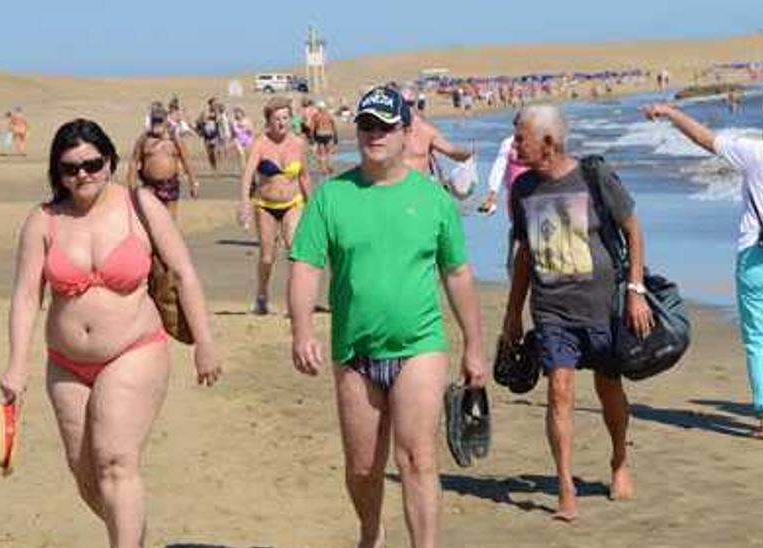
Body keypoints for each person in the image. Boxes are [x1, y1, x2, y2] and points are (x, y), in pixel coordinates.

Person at [0, 119, 221, 548]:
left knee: (117, 462)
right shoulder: (43, 220)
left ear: (110, 161)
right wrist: (16, 366)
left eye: (92, 163)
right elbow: (26, 297)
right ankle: (131, 532)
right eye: (70, 168)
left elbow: (183, 272)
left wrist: (206, 343)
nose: (82, 174)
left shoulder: (140, 205)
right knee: (86, 475)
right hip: (66, 364)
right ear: (56, 172)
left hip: (132, 351)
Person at [287, 86, 488, 548]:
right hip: (354, 351)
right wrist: (301, 330)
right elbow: (305, 266)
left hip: (420, 344)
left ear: (406, 131)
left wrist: (474, 347)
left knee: (418, 458)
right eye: (366, 126)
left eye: (384, 126)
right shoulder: (332, 196)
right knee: (363, 468)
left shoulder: (434, 199)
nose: (374, 134)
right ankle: (371, 533)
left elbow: (457, 274)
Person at [643, 92, 763, 440]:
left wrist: (669, 111)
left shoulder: (756, 152)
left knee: (759, 340)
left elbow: (703, 137)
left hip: (758, 256)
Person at [500, 104, 647, 521]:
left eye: (520, 138)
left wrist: (635, 291)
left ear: (548, 142)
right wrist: (513, 314)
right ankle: (565, 485)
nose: (514, 146)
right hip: (551, 311)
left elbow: (633, 230)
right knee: (559, 390)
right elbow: (526, 253)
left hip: (602, 309)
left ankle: (619, 459)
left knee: (608, 389)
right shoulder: (522, 189)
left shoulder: (595, 178)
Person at [237, 97, 310, 315]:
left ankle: (295, 301)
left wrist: (313, 205)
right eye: (276, 118)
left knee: (294, 251)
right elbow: (247, 176)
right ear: (269, 120)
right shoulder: (259, 144)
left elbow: (304, 176)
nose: (281, 123)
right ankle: (261, 295)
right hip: (265, 204)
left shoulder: (298, 143)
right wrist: (244, 206)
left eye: (285, 118)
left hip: (293, 203)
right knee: (267, 257)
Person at [127, 105, 199, 219]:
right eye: (154, 120)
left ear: (166, 121)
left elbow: (187, 161)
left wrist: (193, 183)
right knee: (149, 218)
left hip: (169, 184)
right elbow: (134, 161)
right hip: (149, 185)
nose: (157, 123)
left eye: (160, 120)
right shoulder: (144, 139)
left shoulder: (175, 139)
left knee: (169, 219)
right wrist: (131, 185)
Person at [400, 87, 473, 179]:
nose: (407, 108)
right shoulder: (386, 131)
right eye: (403, 104)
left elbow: (452, 152)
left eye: (410, 104)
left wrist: (468, 153)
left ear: (415, 104)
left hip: (419, 187)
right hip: (394, 188)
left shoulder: (427, 130)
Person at [309, 99, 338, 175]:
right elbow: (334, 126)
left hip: (320, 134)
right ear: (324, 108)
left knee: (322, 153)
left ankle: (323, 169)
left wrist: (312, 139)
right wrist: (335, 137)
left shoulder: (316, 116)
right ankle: (330, 166)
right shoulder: (329, 115)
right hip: (328, 134)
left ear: (318, 108)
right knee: (329, 152)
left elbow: (312, 128)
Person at [196, 98, 225, 172]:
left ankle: (220, 168)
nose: (215, 105)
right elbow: (199, 121)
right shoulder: (205, 112)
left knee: (216, 150)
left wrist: (216, 112)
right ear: (210, 104)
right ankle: (213, 168)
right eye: (214, 104)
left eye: (216, 104)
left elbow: (218, 120)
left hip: (215, 134)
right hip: (207, 135)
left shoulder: (218, 112)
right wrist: (200, 128)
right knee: (209, 153)